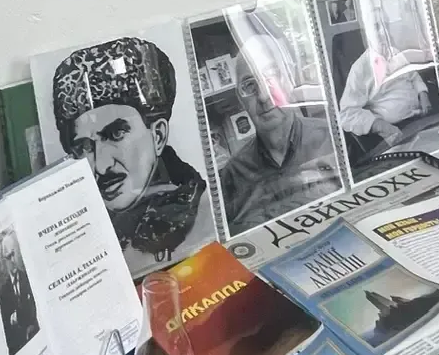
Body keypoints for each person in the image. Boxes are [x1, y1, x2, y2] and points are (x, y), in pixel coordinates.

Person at [51, 37, 208, 267]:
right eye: (84, 147)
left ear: (158, 136)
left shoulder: (207, 216)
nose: (102, 166)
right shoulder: (78, 239)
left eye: (116, 134)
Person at [218, 34, 342, 232]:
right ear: (240, 100)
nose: (263, 96)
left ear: (290, 79)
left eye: (272, 77)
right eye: (249, 85)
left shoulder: (334, 137)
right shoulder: (232, 175)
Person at [337, 0, 439, 160]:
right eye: (377, 27)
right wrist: (381, 127)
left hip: (420, 120)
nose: (383, 33)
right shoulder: (360, 68)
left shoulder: (396, 52)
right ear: (367, 33)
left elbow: (413, 76)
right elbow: (347, 114)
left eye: (386, 25)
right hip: (395, 131)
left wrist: (423, 95)